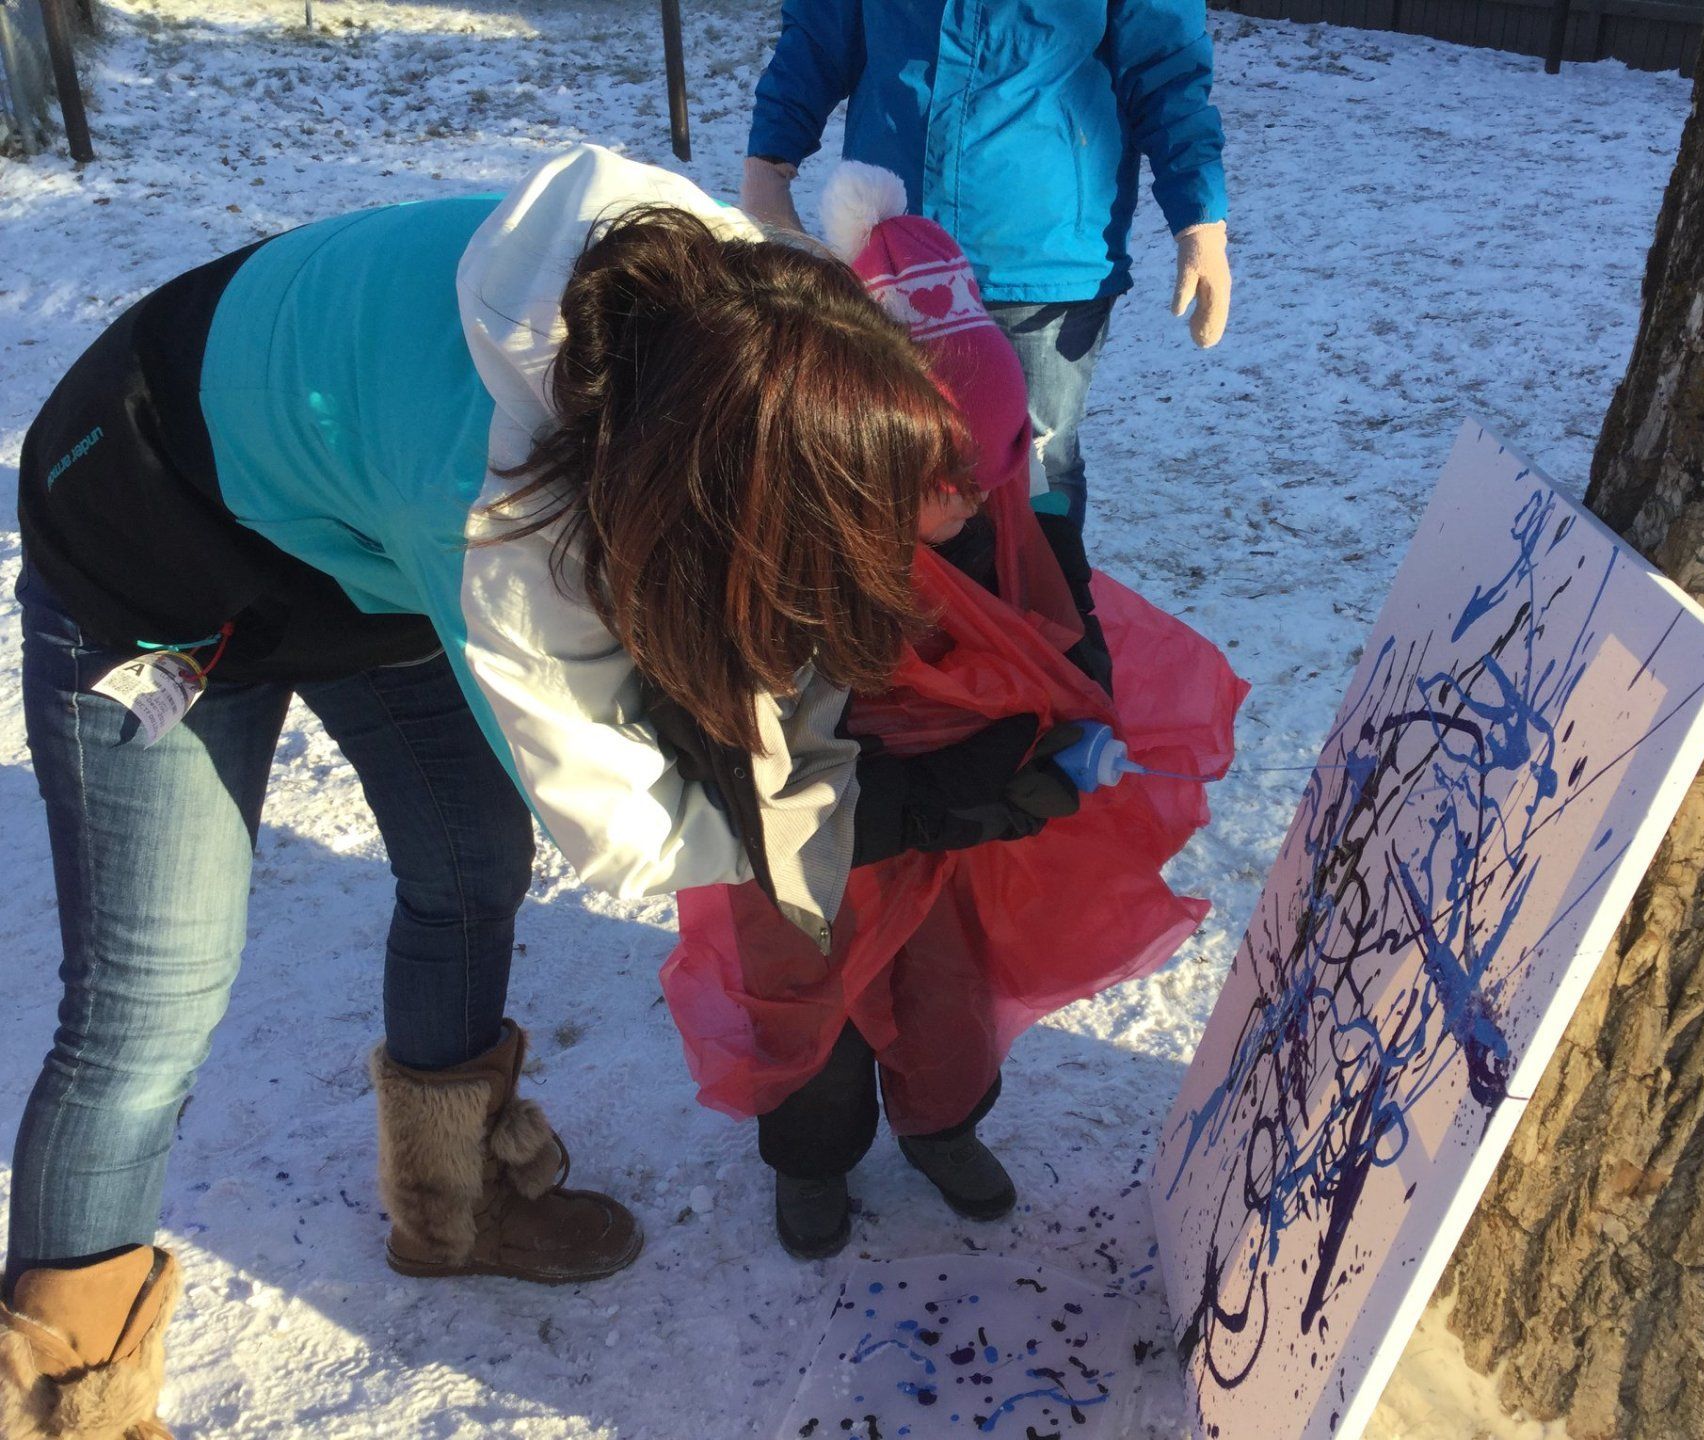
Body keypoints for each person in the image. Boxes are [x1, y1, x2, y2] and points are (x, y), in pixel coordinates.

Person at [0, 145, 1072, 1438]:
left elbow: (767, 638)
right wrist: (881, 820)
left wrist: (848, 756)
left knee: (465, 859)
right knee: (148, 1005)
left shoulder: (727, 321)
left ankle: (451, 1211)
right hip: (143, 539)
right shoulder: (510, 535)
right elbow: (626, 833)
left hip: (356, 546)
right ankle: (68, 1407)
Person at [662, 165, 1245, 1260]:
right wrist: (1009, 786)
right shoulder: (780, 573)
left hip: (964, 812)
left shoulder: (1008, 512)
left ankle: (941, 1126)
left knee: (944, 995)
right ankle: (815, 1157)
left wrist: (1081, 722)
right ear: (858, 455)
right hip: (821, 834)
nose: (976, 501)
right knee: (812, 1017)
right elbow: (787, 793)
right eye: (946, 480)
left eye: (996, 468)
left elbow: (1068, 624)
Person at [739, 0, 1232, 533]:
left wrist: (1199, 214)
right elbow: (819, 31)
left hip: (1042, 256)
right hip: (896, 251)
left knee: (1034, 470)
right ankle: (900, 613)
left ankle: (1047, 610)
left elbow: (1165, 62)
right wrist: (769, 159)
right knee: (886, 464)